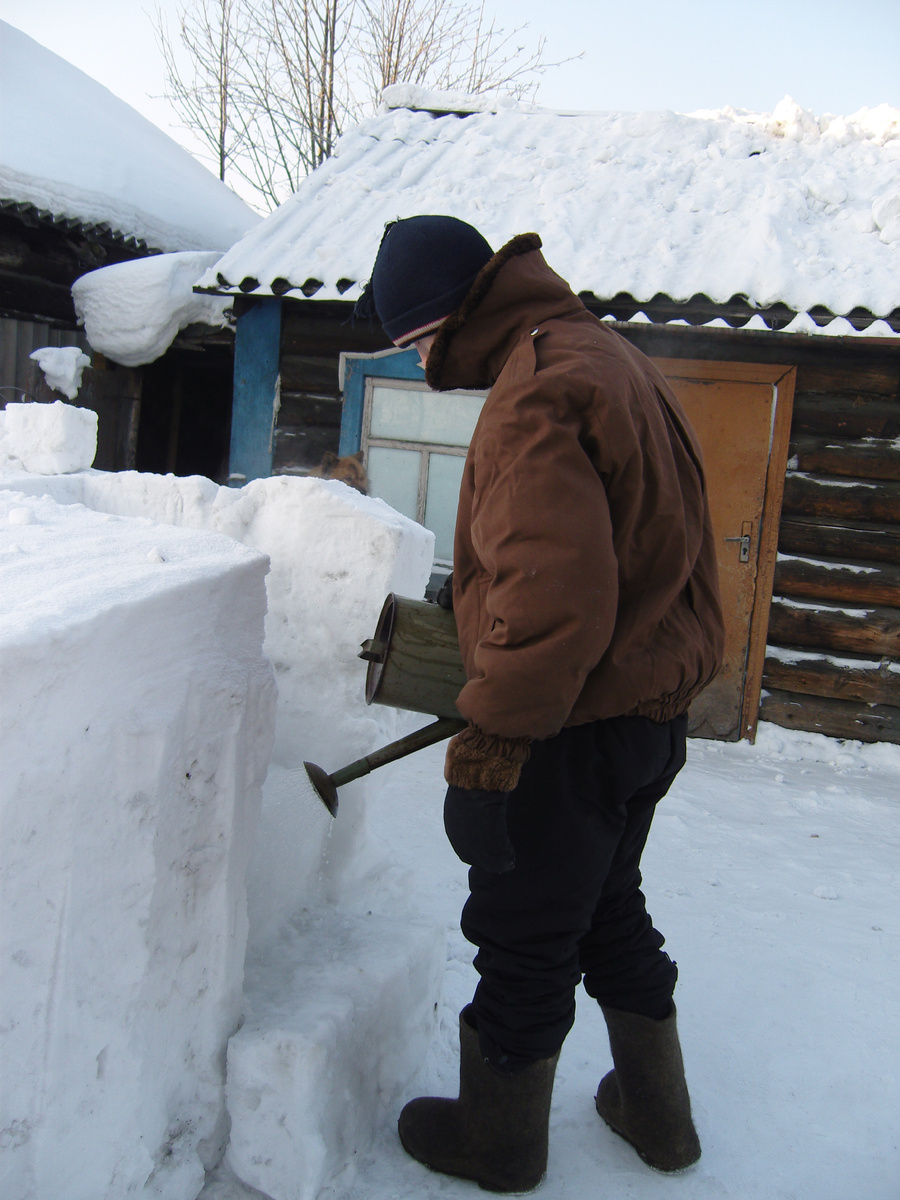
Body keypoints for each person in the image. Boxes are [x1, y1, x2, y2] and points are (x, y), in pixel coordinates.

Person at [355, 215, 725, 1193]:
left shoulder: (535, 388)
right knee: (606, 907)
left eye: (418, 342)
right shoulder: (608, 355)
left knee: (522, 932)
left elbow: (554, 594)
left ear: (453, 315)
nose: (424, 363)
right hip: (648, 714)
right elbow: (617, 542)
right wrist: (476, 591)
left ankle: (499, 1144)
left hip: (568, 729)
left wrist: (490, 752)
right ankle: (659, 1115)